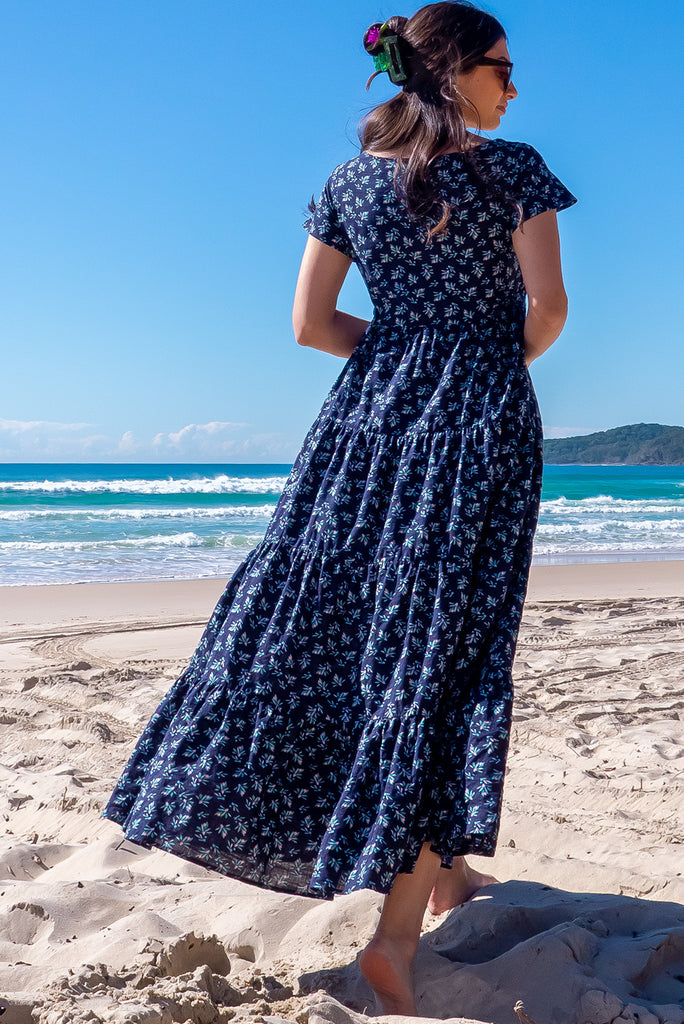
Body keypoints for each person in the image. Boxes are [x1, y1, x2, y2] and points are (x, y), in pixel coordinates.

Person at [103, 1, 576, 1015]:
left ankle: (443, 873)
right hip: (477, 432)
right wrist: (480, 370)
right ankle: (395, 940)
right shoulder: (515, 168)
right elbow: (550, 310)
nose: (513, 87)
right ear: (453, 73)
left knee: (346, 633)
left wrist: (404, 360)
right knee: (445, 655)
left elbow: (311, 326)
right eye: (501, 67)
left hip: (359, 430)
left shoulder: (345, 182)